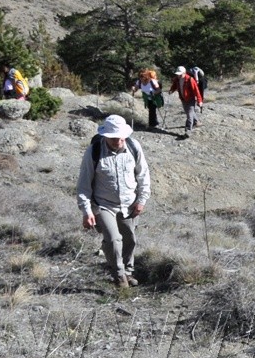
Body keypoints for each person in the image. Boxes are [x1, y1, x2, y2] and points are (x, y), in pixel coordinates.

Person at [76, 114, 151, 288]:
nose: (117, 140)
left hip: (129, 203)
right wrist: (87, 211)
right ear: (105, 136)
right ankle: (119, 276)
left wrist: (141, 200)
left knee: (129, 238)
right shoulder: (93, 152)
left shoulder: (133, 147)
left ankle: (128, 271)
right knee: (113, 239)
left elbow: (143, 175)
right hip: (103, 205)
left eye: (120, 137)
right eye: (113, 137)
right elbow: (84, 184)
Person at [169, 66, 203, 134]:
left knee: (189, 114)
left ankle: (188, 130)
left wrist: (199, 101)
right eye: (178, 74)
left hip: (190, 99)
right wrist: (172, 90)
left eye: (180, 74)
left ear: (184, 73)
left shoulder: (190, 79)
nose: (179, 75)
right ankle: (196, 122)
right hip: (183, 98)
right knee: (189, 112)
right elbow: (174, 85)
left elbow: (196, 90)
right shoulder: (177, 79)